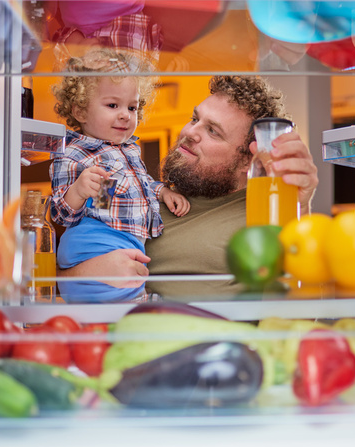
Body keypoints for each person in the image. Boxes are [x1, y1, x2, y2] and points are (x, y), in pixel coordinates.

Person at [58, 75, 318, 299]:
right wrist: (80, 274)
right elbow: (53, 276)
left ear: (248, 159)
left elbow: (291, 316)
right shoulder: (138, 197)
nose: (190, 132)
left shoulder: (263, 215)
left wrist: (300, 207)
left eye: (213, 131)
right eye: (195, 118)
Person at [49, 48, 189, 300]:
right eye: (113, 105)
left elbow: (139, 184)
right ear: (80, 111)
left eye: (132, 107)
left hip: (126, 240)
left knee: (128, 284)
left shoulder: (127, 150)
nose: (125, 114)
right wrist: (78, 190)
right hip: (96, 241)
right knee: (120, 295)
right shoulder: (74, 153)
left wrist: (163, 191)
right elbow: (60, 214)